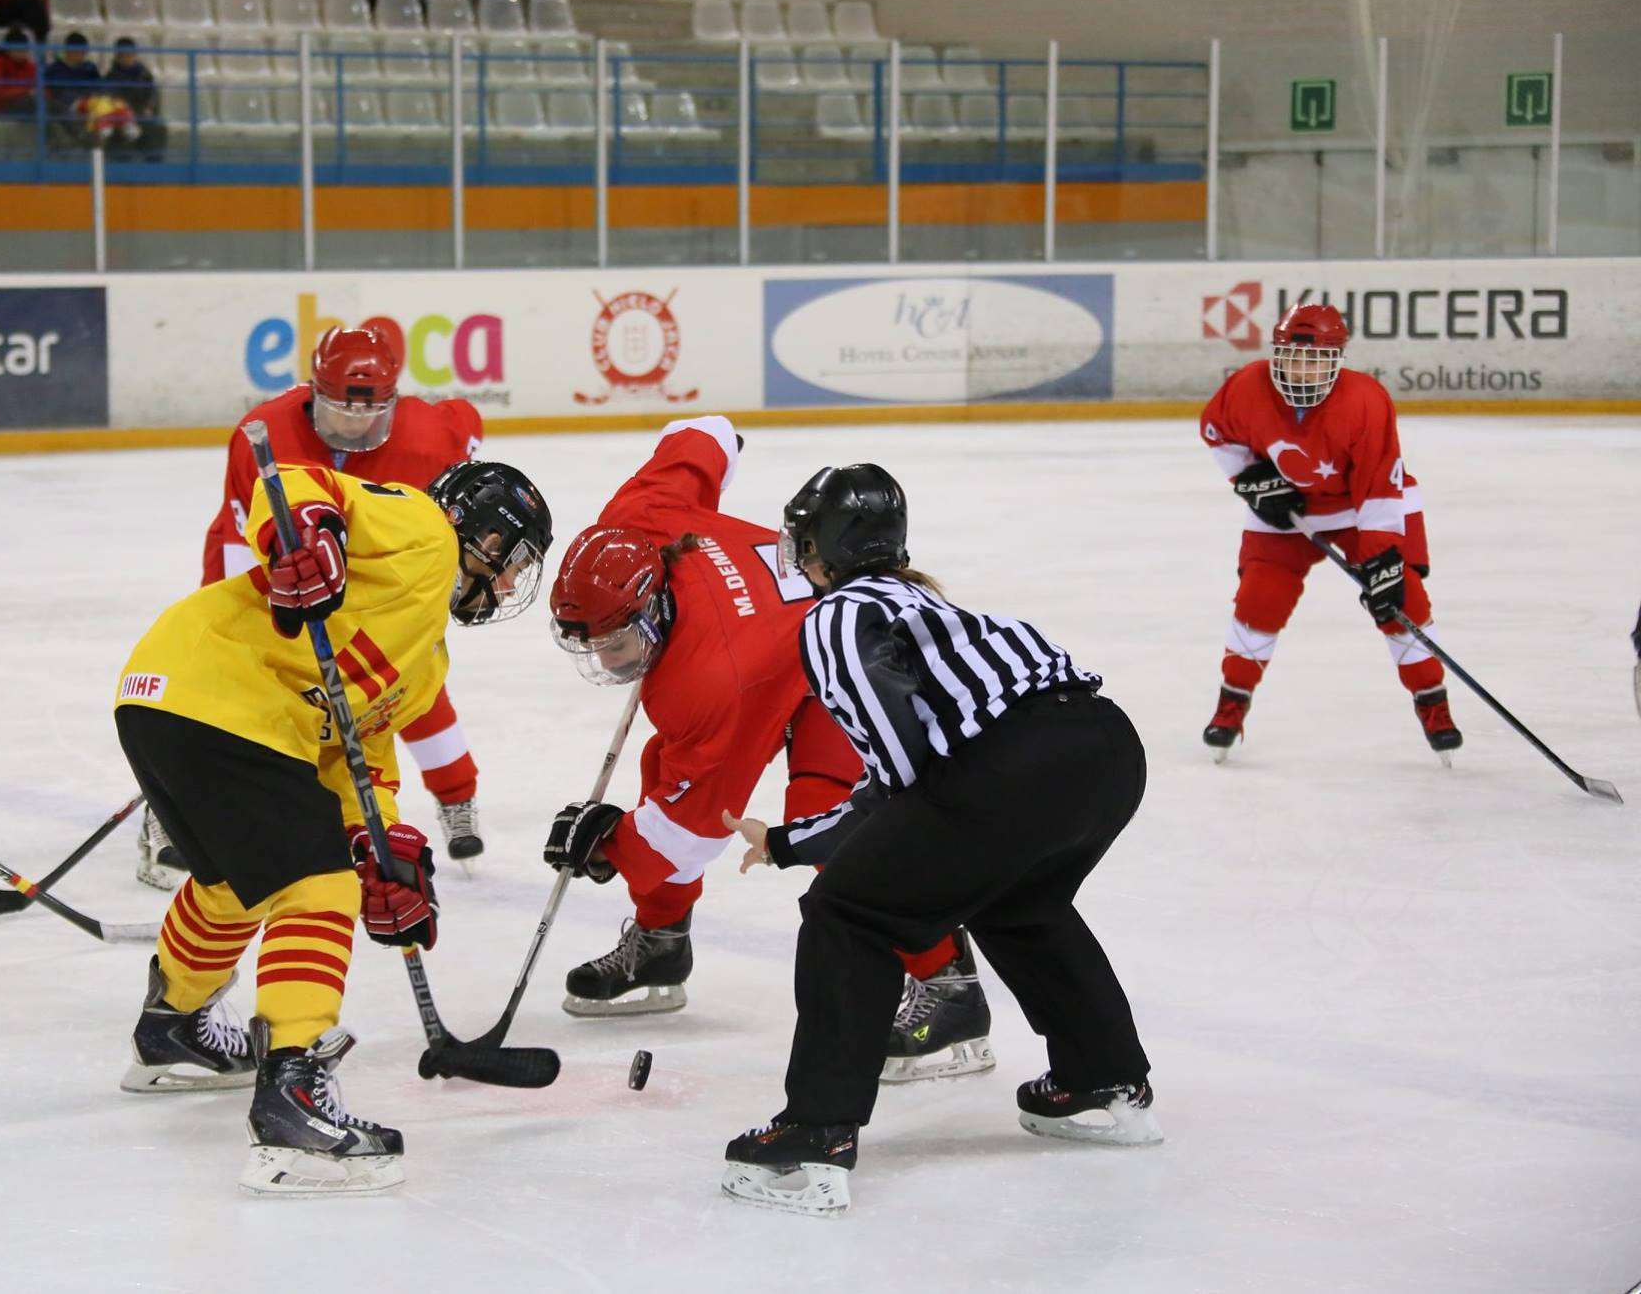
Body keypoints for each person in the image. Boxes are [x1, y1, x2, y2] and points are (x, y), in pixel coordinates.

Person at [719, 463, 1159, 1217]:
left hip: (1014, 767)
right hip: (1108, 748)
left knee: (848, 913)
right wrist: (794, 840)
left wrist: (802, 845)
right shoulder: (921, 598)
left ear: (823, 545)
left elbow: (905, 777)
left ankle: (814, 1134)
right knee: (1020, 900)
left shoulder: (838, 616)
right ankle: (1103, 1077)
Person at [112, 456, 551, 1195]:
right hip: (221, 695)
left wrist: (379, 844)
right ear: (480, 536)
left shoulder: (426, 657)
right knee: (317, 886)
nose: (510, 584)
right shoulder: (423, 530)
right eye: (513, 562)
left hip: (166, 696)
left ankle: (172, 1027)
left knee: (238, 883)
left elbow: (360, 754)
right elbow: (296, 481)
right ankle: (294, 1093)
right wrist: (311, 533)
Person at [542, 417, 988, 1086]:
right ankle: (662, 945)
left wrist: (612, 847)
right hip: (771, 643)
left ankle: (950, 990)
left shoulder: (709, 677)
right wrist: (722, 442)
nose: (608, 661)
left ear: (654, 605)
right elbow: (705, 436)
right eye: (592, 645)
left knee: (831, 826)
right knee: (663, 769)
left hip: (831, 665)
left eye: (618, 642)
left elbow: (695, 832)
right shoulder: (637, 516)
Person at [137, 324, 486, 890]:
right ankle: (170, 810)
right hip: (269, 563)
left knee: (406, 683)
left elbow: (466, 425)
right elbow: (239, 532)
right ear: (311, 389)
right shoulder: (264, 432)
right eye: (336, 409)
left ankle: (457, 797)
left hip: (371, 572)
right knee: (219, 689)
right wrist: (266, 610)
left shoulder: (427, 435)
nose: (351, 426)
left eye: (368, 414)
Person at [1198, 301, 1459, 762]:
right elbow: (1218, 432)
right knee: (1259, 600)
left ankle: (1432, 702)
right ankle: (1232, 702)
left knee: (1403, 602)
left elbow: (1379, 482)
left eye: (1315, 359)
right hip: (1288, 513)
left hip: (1362, 510)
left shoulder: (1364, 399)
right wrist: (1250, 479)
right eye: (1292, 357)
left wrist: (1381, 559)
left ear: (1337, 361)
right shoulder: (1247, 387)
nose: (1301, 369)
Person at [104, 36, 165, 160]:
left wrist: (149, 108)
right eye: (123, 55)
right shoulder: (111, 77)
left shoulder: (144, 74)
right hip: (121, 119)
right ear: (117, 56)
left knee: (156, 130)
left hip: (142, 115)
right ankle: (122, 172)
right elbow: (111, 100)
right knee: (121, 135)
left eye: (130, 54)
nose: (127, 58)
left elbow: (153, 95)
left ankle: (154, 171)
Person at [42, 30, 100, 148]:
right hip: (65, 107)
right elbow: (56, 92)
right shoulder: (54, 69)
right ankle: (80, 138)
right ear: (68, 50)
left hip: (89, 104)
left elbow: (99, 88)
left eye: (83, 51)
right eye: (78, 50)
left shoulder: (90, 68)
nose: (81, 54)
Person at [0, 25, 37, 117]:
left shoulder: (30, 66)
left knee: (49, 106)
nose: (22, 54)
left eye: (24, 50)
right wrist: (25, 92)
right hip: (4, 108)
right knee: (36, 104)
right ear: (8, 50)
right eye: (18, 50)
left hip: (28, 104)